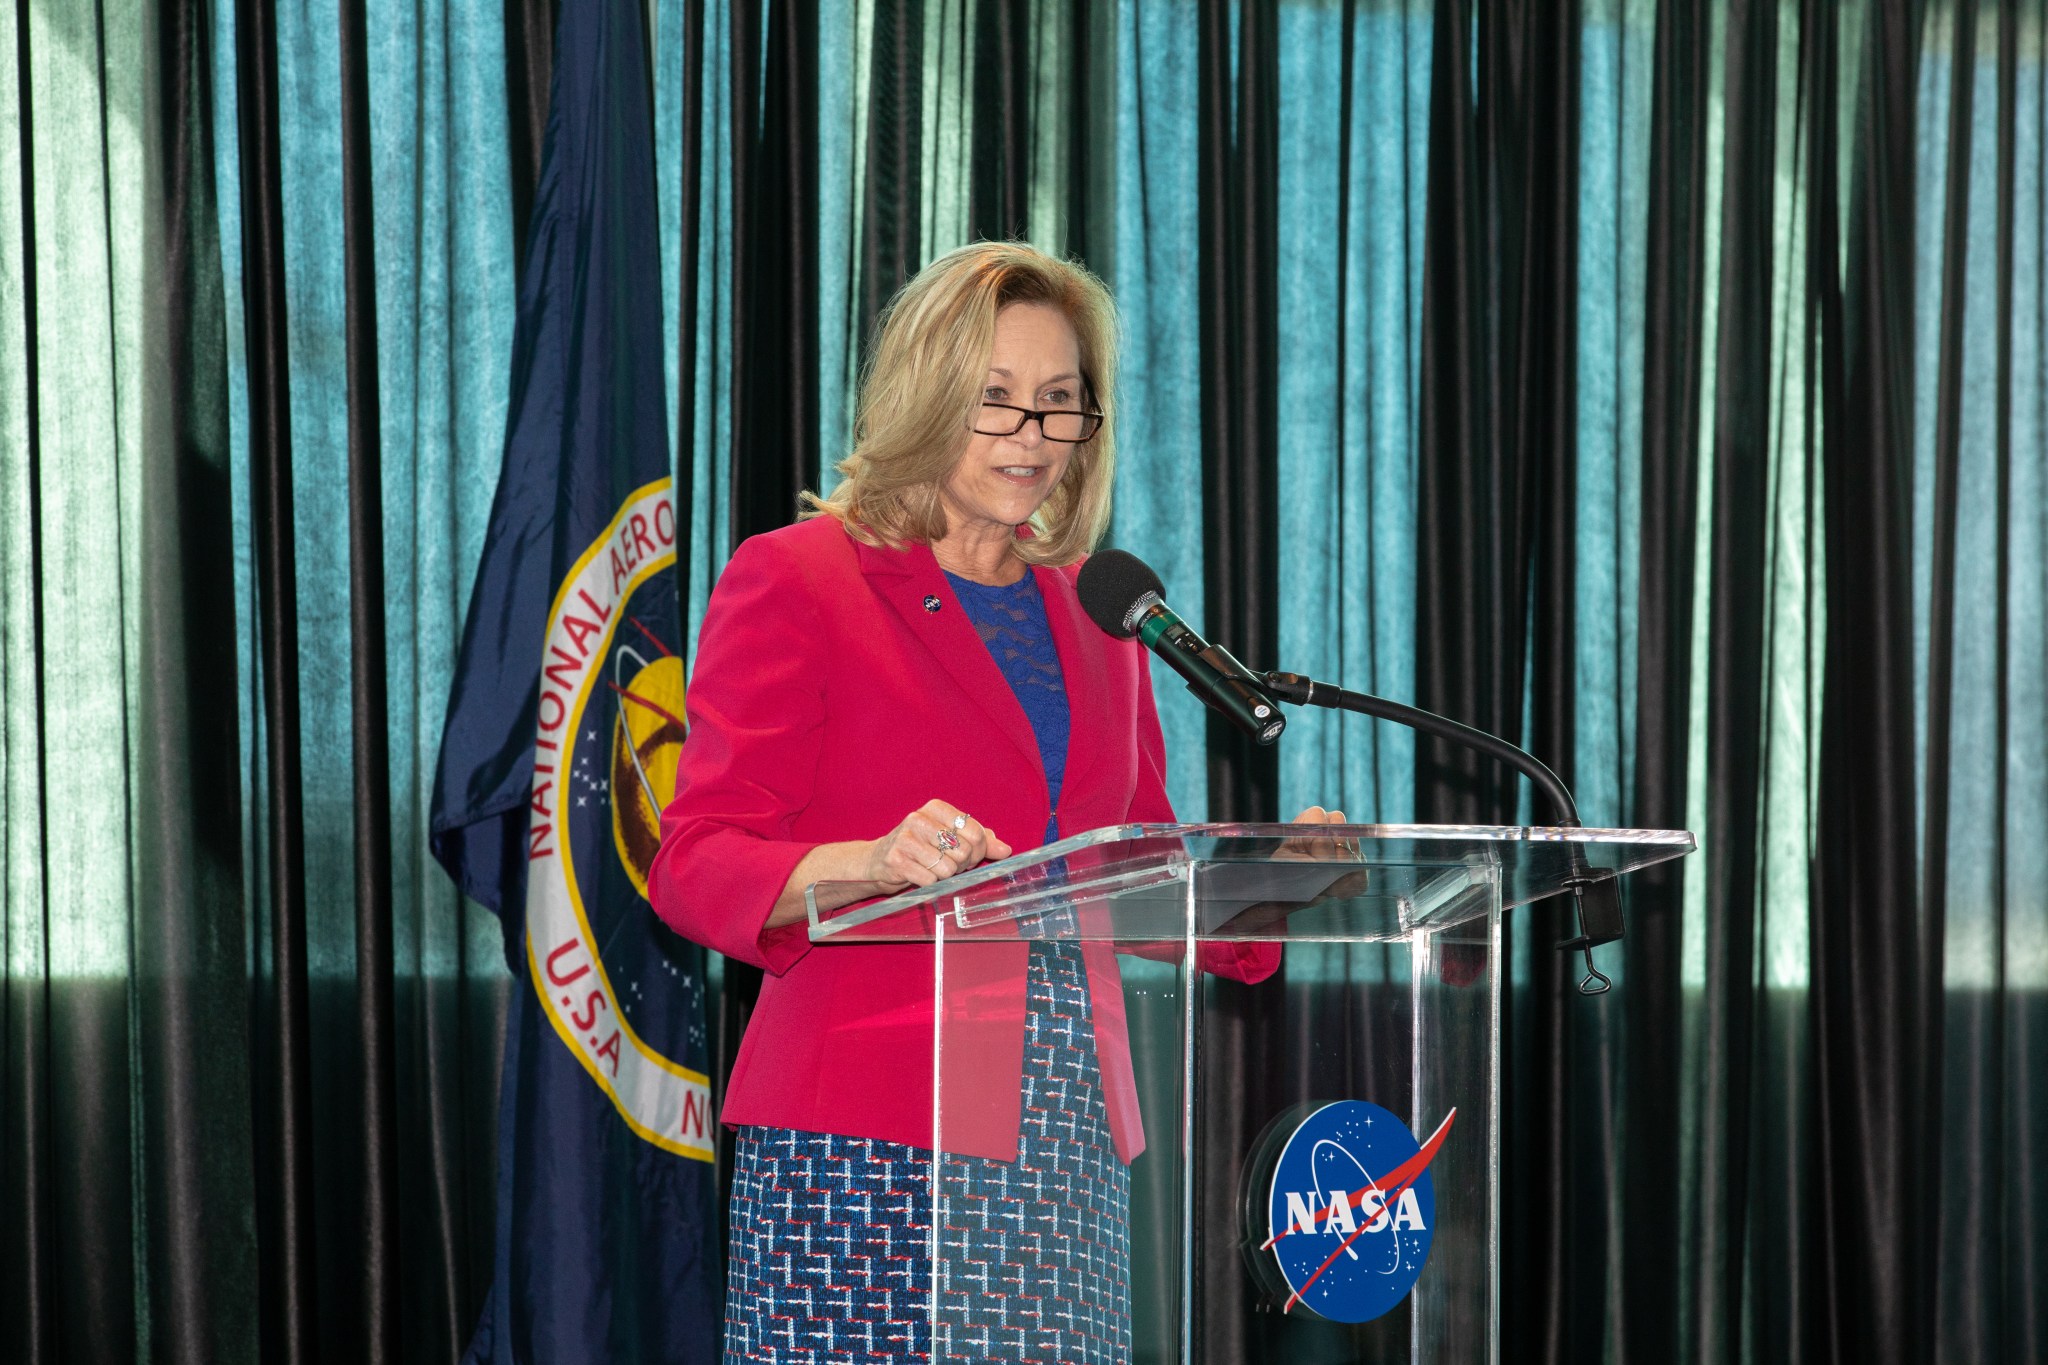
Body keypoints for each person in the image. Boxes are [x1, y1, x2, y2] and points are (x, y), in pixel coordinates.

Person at [649, 241, 1343, 1364]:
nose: (1031, 437)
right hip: (868, 1134)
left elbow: (1132, 864)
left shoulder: (1101, 619)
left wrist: (1273, 881)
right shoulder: (801, 577)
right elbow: (694, 860)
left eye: (1058, 405)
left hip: (1065, 1126)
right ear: (927, 398)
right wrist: (867, 859)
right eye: (998, 402)